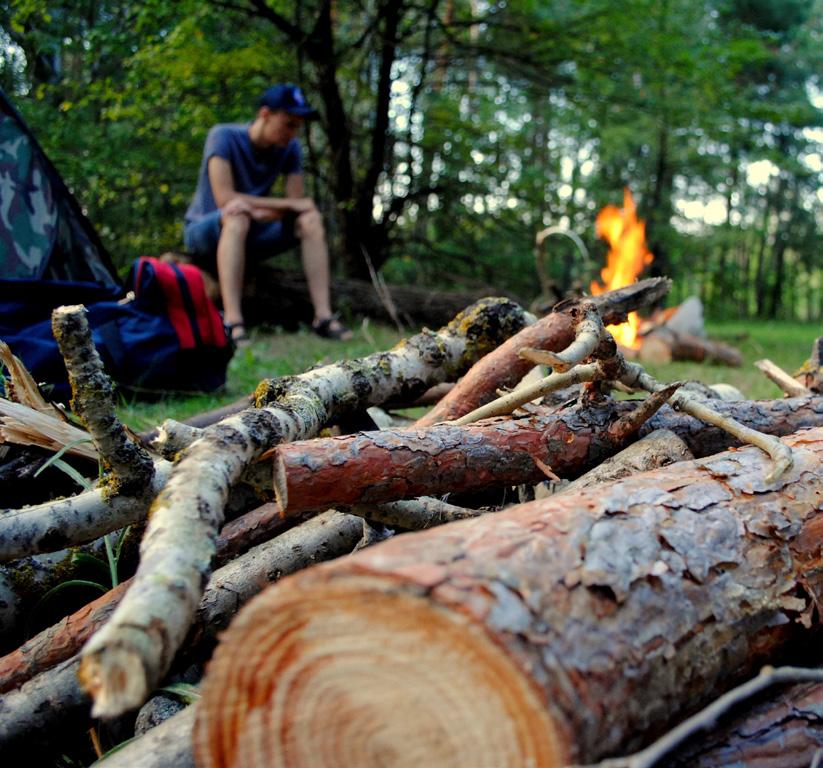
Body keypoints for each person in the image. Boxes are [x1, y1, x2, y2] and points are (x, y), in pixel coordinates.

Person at [183, 83, 352, 344]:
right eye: (288, 124)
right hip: (204, 231)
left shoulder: (290, 149)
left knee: (310, 219)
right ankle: (233, 322)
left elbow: (297, 207)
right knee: (236, 214)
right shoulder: (223, 136)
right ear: (265, 115)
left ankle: (323, 316)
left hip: (253, 228)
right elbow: (225, 199)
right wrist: (280, 206)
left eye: (297, 126)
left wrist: (263, 209)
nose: (293, 133)